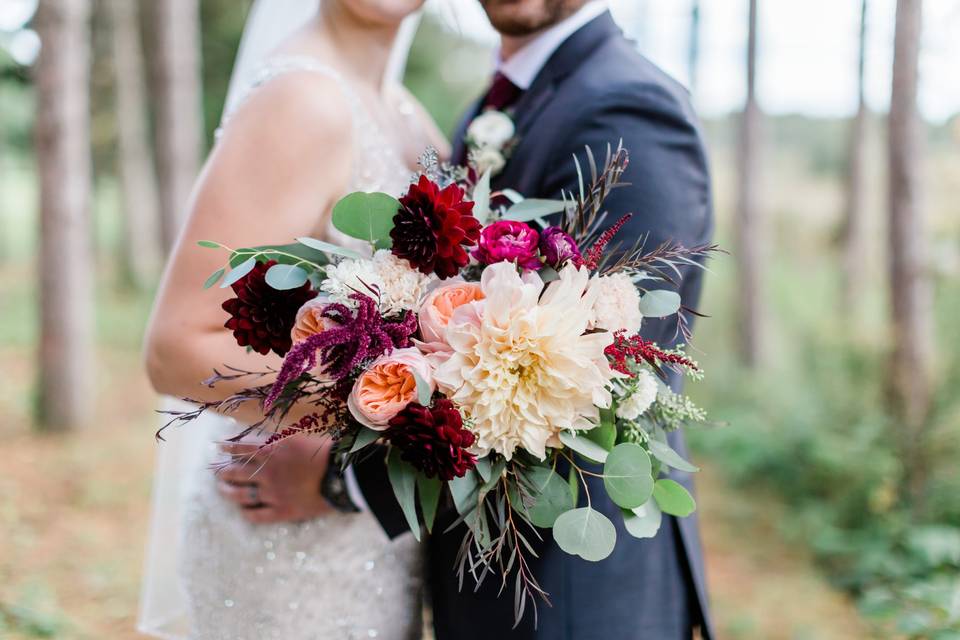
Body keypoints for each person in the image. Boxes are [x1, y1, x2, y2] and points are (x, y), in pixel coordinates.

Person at [353, 1, 718, 638]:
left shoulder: (629, 106)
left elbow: (602, 374)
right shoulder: (499, 104)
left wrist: (343, 488)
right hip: (495, 578)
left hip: (575, 592)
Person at [138, 0, 445, 637]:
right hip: (286, 553)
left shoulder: (412, 116)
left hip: (366, 541)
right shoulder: (304, 101)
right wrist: (383, 423)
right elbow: (176, 347)